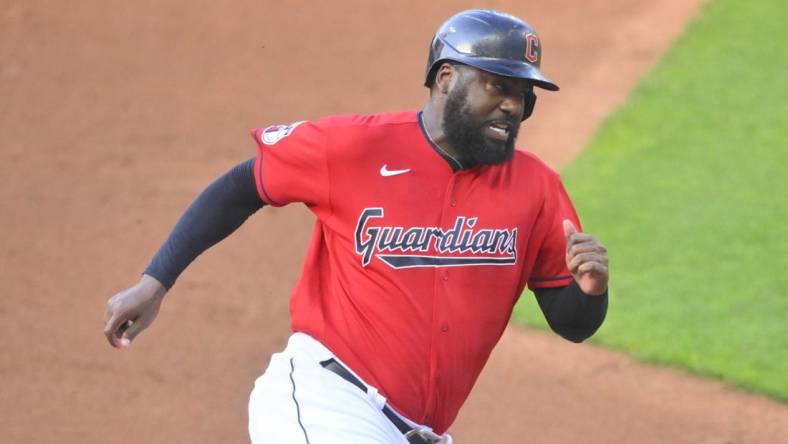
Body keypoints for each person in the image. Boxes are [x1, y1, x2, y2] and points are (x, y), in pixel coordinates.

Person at [103, 9, 609, 444]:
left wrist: (592, 290)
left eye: (524, 94)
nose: (513, 106)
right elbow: (244, 185)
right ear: (447, 77)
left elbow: (573, 324)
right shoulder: (354, 147)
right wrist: (156, 280)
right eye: (499, 86)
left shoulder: (537, 188)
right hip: (330, 403)